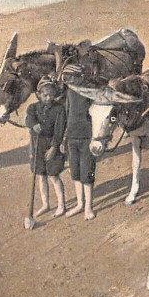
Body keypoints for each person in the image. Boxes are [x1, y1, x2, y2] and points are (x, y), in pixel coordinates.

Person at [59, 65, 98, 220]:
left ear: (79, 77)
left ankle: (88, 206)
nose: (67, 81)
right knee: (75, 173)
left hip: (87, 138)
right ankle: (80, 204)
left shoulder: (89, 93)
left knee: (87, 173)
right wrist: (64, 138)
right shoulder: (69, 93)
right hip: (72, 138)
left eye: (69, 78)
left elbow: (97, 115)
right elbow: (67, 115)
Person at [25, 76, 66, 218]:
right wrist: (33, 124)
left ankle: (61, 205)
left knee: (53, 175)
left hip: (52, 145)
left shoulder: (59, 109)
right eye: (45, 95)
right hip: (38, 145)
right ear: (39, 94)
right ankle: (45, 204)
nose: (48, 98)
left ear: (55, 95)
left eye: (51, 95)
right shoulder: (33, 108)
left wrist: (54, 147)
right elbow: (28, 119)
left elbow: (59, 130)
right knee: (41, 176)